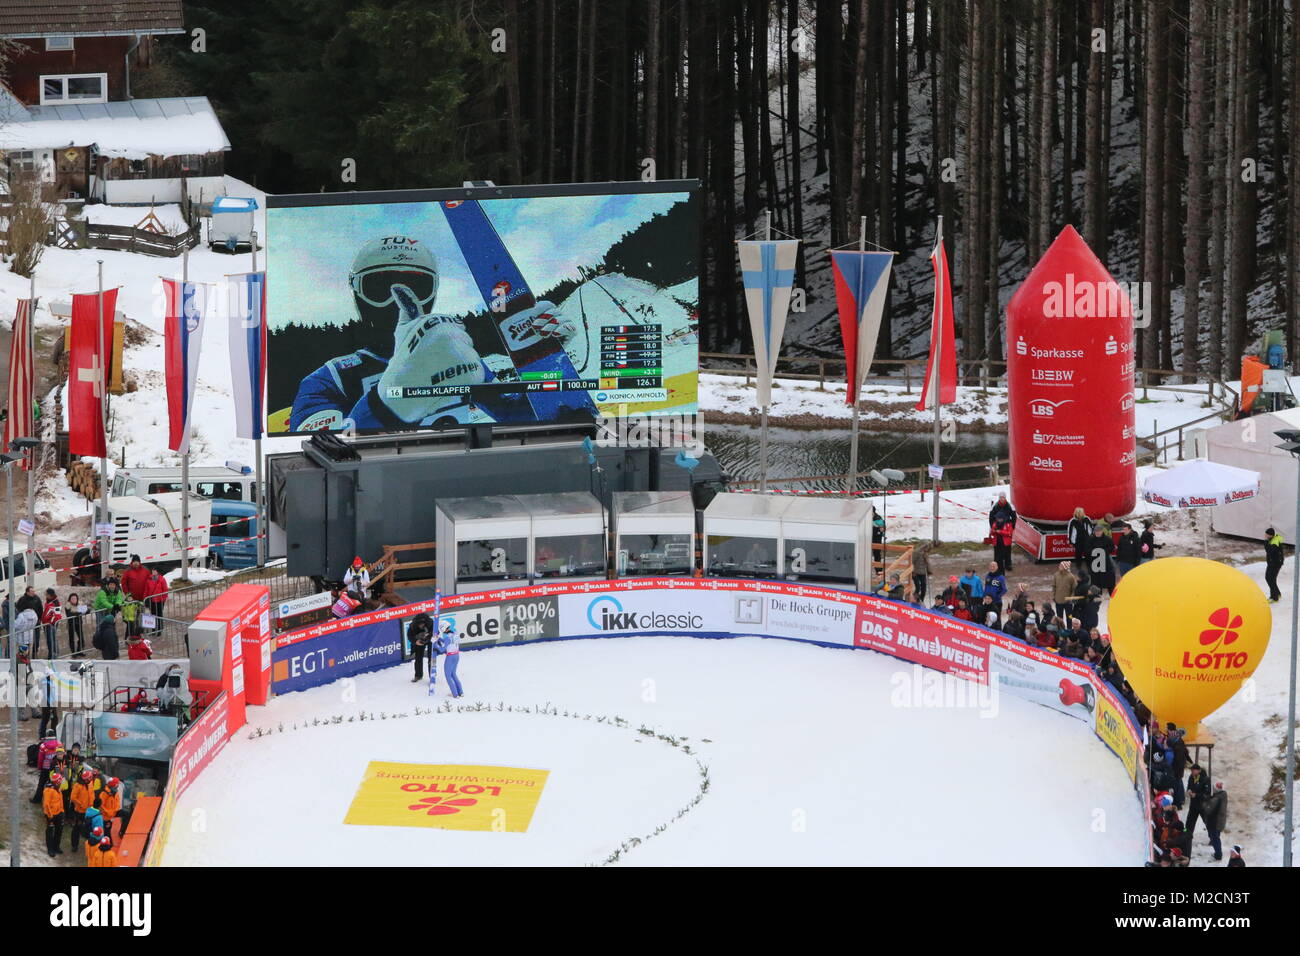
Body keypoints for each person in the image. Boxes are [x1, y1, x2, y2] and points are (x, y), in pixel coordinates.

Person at [288, 235, 545, 431]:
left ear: (432, 293)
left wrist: (539, 356)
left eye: (416, 287)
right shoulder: (330, 379)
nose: (397, 303)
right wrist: (385, 405)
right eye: (379, 288)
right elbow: (313, 453)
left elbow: (516, 417)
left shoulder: (457, 358)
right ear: (356, 292)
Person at [436, 620, 463, 698]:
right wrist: (439, 639)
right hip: (457, 655)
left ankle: (455, 694)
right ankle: (460, 692)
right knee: (453, 674)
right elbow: (448, 642)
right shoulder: (455, 634)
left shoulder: (448, 638)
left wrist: (435, 644)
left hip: (450, 657)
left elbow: (441, 650)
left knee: (448, 676)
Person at [1203, 781, 1228, 861]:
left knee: (1215, 838)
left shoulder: (1216, 799)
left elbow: (1208, 810)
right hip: (1219, 821)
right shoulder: (1223, 796)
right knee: (1216, 838)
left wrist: (1205, 803)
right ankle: (1218, 853)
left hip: (1214, 822)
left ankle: (1218, 854)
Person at [43, 772, 65, 857]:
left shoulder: (58, 789)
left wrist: (62, 811)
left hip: (59, 813)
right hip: (51, 815)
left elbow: (61, 802)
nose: (61, 783)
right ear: (56, 782)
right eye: (60, 782)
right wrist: (50, 816)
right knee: (50, 832)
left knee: (59, 831)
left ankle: (56, 847)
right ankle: (50, 849)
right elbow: (46, 804)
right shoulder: (49, 790)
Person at [409, 612, 435, 683]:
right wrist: (415, 641)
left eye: (422, 624)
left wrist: (429, 636)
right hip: (419, 641)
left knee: (431, 658)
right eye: (419, 625)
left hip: (430, 640)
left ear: (425, 623)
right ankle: (418, 675)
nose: (421, 626)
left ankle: (432, 676)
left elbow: (436, 633)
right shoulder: (412, 626)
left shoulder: (431, 623)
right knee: (418, 658)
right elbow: (409, 636)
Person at [1186, 764, 1210, 837]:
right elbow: (1189, 786)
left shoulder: (1205, 779)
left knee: (1208, 823)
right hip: (1193, 805)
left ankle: (1213, 838)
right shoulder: (1191, 777)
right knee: (1189, 823)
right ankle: (1187, 836)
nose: (1192, 771)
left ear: (1198, 770)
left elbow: (1207, 793)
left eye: (1193, 770)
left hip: (1203, 806)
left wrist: (1196, 795)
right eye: (1191, 770)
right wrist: (1189, 790)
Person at [143, 567, 169, 634]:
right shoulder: (149, 579)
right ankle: (154, 630)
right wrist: (145, 598)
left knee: (159, 615)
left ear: (157, 572)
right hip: (151, 600)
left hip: (159, 600)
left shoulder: (162, 579)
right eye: (152, 570)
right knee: (152, 615)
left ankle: (159, 629)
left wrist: (163, 600)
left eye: (154, 570)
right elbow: (146, 590)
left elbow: (165, 590)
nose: (153, 572)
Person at [1265, 527, 1285, 602]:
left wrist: (1266, 542)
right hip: (1273, 562)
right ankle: (1277, 593)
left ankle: (1274, 597)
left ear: (1270, 535)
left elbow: (1269, 551)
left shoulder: (1274, 542)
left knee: (1269, 578)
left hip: (1275, 563)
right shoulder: (1273, 539)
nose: (1265, 535)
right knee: (1271, 578)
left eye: (1266, 534)